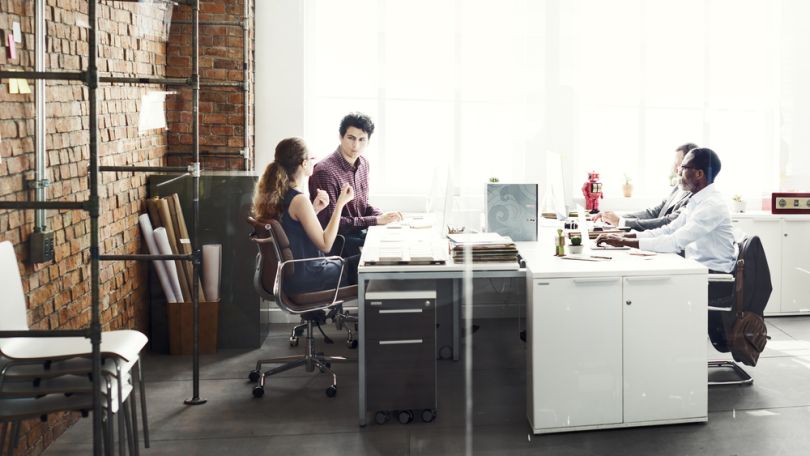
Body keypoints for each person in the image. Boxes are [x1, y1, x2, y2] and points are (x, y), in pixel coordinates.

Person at [595, 147, 737, 274]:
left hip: (713, 277)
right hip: (697, 270)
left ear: (699, 174)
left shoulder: (712, 205)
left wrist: (623, 241)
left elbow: (674, 242)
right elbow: (668, 230)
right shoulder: (697, 200)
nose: (678, 172)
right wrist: (625, 237)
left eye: (683, 167)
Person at [252, 137, 359, 294]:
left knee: (355, 261)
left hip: (294, 278)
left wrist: (314, 210)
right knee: (364, 264)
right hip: (309, 277)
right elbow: (325, 244)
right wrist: (340, 204)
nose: (313, 162)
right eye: (311, 158)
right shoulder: (299, 200)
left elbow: (291, 228)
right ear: (303, 163)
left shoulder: (280, 194)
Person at [308, 112, 401, 257]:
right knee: (388, 258)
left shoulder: (363, 163)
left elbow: (362, 206)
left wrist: (382, 216)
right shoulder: (324, 171)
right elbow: (331, 223)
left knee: (397, 244)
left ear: (368, 141)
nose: (356, 145)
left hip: (358, 235)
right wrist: (376, 220)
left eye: (362, 139)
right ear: (340, 137)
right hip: (339, 245)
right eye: (351, 138)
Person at [594, 143, 697, 231]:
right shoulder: (678, 188)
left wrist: (621, 222)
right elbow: (653, 213)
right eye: (675, 165)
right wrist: (613, 217)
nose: (676, 170)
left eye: (679, 165)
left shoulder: (694, 196)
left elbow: (667, 222)